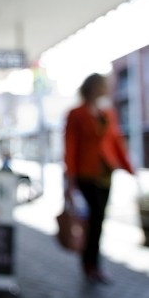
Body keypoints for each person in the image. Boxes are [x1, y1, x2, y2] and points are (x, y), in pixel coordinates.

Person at [64, 73, 134, 284]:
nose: (107, 88)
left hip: (105, 173)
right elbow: (71, 146)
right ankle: (90, 265)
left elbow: (115, 142)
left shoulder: (107, 113)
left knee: (99, 220)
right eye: (103, 85)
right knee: (94, 220)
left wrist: (129, 167)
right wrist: (71, 177)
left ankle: (93, 264)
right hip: (86, 174)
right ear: (94, 87)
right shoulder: (76, 113)